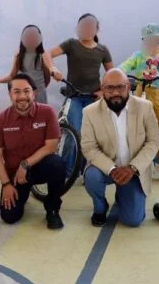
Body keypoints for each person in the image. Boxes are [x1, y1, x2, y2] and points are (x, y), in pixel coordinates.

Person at [81, 69, 159, 227]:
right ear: (102, 89)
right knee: (91, 177)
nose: (116, 92)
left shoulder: (145, 107)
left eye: (121, 87)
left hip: (133, 170)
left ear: (129, 86)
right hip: (106, 168)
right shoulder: (89, 112)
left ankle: (122, 193)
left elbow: (153, 141)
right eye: (110, 88)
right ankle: (100, 207)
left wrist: (132, 168)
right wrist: (111, 169)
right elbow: (89, 148)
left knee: (133, 221)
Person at [0, 73, 65, 229]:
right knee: (9, 217)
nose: (22, 96)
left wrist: (25, 164)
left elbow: (51, 146)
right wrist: (6, 184)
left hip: (39, 167)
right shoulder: (1, 120)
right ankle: (23, 192)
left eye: (26, 91)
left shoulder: (47, 112)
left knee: (57, 164)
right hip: (15, 175)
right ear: (10, 94)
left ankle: (52, 209)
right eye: (16, 92)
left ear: (33, 93)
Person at [49, 13, 114, 172]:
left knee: (93, 137)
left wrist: (103, 91)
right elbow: (47, 54)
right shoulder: (71, 44)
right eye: (83, 25)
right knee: (75, 134)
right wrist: (53, 68)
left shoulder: (102, 49)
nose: (86, 29)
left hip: (94, 99)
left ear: (96, 29)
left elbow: (111, 74)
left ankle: (87, 170)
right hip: (75, 98)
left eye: (90, 26)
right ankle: (66, 171)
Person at [119, 24, 159, 182]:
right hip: (140, 93)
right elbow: (124, 67)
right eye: (147, 39)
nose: (150, 41)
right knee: (136, 128)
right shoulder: (138, 55)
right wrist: (119, 75)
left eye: (154, 38)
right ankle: (136, 164)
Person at [0, 24, 53, 104]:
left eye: (34, 37)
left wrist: (38, 89)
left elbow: (47, 78)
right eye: (28, 37)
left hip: (39, 94)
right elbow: (12, 76)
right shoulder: (19, 55)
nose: (31, 39)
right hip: (23, 94)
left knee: (40, 116)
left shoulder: (43, 55)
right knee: (23, 115)